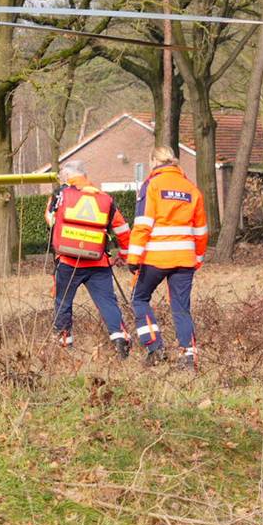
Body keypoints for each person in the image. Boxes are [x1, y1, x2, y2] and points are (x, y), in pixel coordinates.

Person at [127, 146, 207, 369]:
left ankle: (155, 347)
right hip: (184, 259)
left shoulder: (151, 185)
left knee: (139, 299)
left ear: (153, 162)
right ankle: (189, 355)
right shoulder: (192, 189)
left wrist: (133, 257)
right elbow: (201, 230)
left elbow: (142, 224)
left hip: (155, 258)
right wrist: (197, 258)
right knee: (181, 308)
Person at [46, 160, 133, 357]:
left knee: (63, 301)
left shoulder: (60, 195)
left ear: (67, 178)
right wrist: (124, 254)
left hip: (68, 261)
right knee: (107, 302)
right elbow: (122, 229)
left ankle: (64, 344)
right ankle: (120, 338)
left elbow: (50, 220)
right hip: (98, 262)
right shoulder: (104, 199)